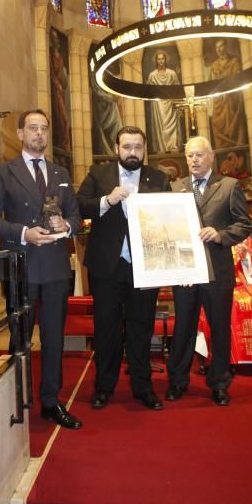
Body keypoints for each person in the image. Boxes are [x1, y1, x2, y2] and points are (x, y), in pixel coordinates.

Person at [0, 109, 82, 430]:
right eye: (32, 128)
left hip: (54, 268)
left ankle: (51, 402)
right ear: (21, 134)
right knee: (20, 338)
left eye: (44, 128)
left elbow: (77, 219)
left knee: (53, 339)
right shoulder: (3, 172)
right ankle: (17, 399)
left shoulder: (60, 172)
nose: (39, 133)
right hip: (20, 265)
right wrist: (24, 233)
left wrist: (66, 225)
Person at [76, 126, 171, 411]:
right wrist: (108, 200)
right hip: (107, 266)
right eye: (127, 147)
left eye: (138, 147)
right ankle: (104, 387)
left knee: (141, 329)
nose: (132, 152)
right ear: (116, 148)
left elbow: (170, 219)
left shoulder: (159, 178)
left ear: (145, 149)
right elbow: (80, 206)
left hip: (146, 266)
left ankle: (143, 387)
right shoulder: (98, 174)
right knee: (106, 329)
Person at [166, 136, 252, 406]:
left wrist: (220, 234)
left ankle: (219, 383)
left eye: (199, 155)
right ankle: (177, 382)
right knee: (183, 328)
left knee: (219, 328)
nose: (194, 160)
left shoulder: (228, 186)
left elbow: (244, 224)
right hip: (185, 272)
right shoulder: (174, 188)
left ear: (211, 156)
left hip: (218, 270)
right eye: (190, 155)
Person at [197, 237, 252, 378]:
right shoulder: (212, 237)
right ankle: (226, 360)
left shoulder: (246, 240)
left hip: (249, 283)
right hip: (222, 284)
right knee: (227, 305)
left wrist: (246, 256)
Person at [208, 39, 248, 150]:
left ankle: (236, 143)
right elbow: (212, 83)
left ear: (225, 47)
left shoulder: (234, 61)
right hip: (219, 99)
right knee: (216, 121)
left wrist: (227, 86)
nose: (219, 50)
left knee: (233, 114)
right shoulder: (214, 65)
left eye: (221, 46)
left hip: (231, 97)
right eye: (217, 48)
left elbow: (237, 78)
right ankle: (221, 147)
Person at [146, 50, 181, 154]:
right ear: (156, 61)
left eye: (162, 58)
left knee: (172, 124)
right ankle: (161, 147)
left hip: (170, 102)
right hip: (158, 104)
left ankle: (173, 146)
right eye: (159, 59)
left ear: (165, 60)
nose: (161, 61)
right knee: (160, 125)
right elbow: (149, 90)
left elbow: (178, 88)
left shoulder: (172, 73)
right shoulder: (152, 75)